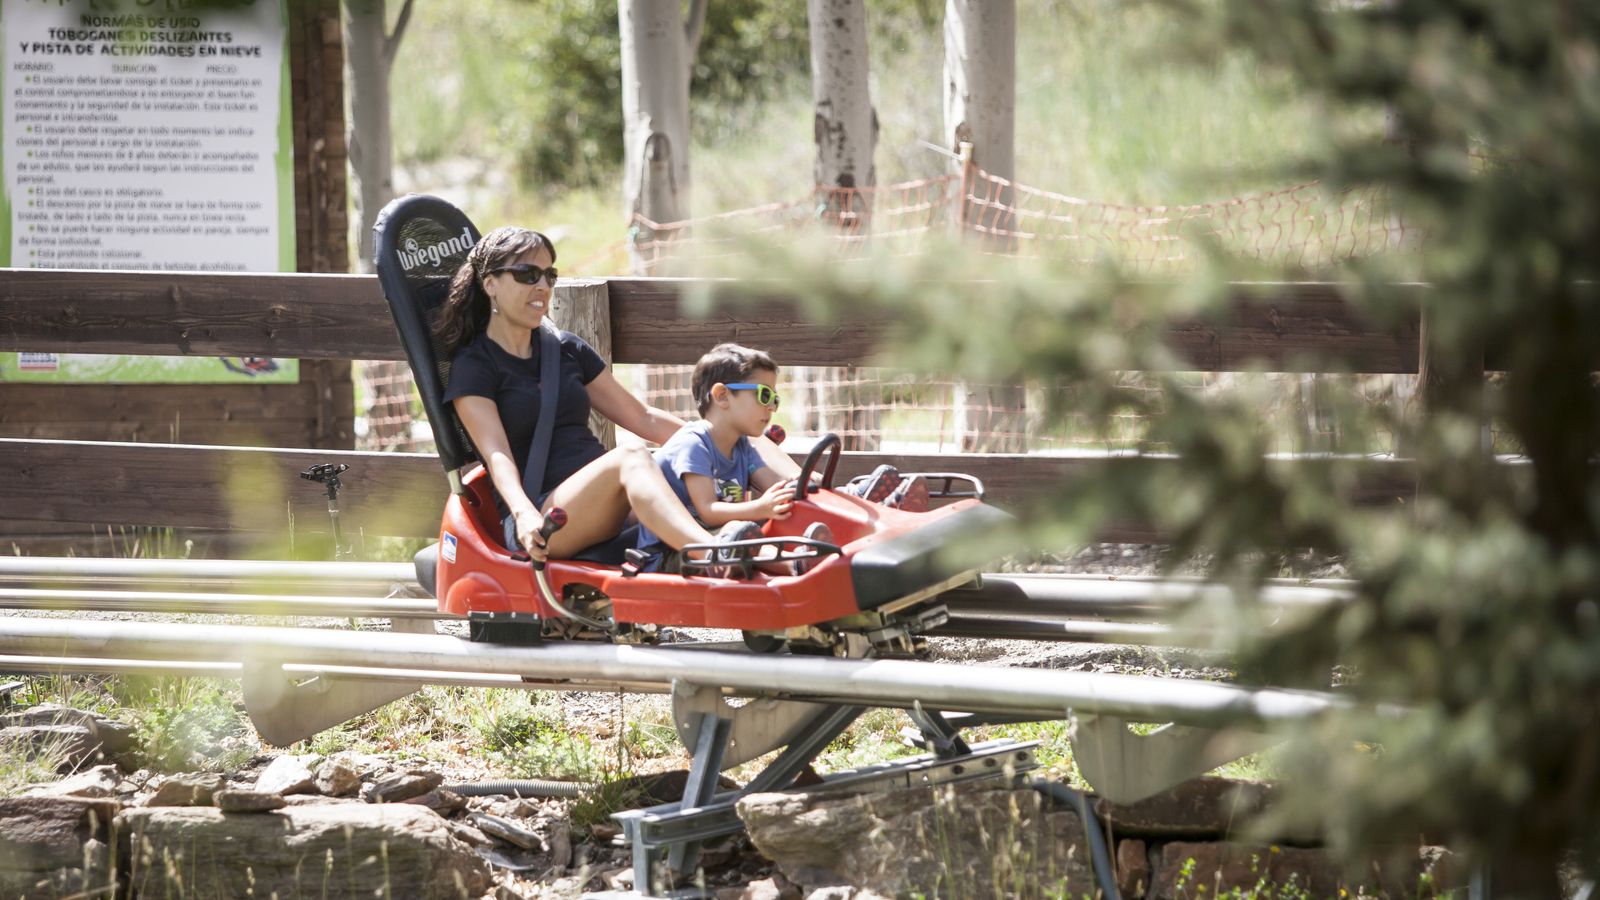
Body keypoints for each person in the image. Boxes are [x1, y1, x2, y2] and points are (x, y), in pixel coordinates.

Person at [435, 226, 799, 565]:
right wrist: (523, 512)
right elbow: (497, 455)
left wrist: (714, 436)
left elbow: (642, 418)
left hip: (606, 500)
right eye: (528, 274)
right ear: (491, 285)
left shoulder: (564, 350)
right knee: (631, 455)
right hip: (543, 516)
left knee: (729, 427)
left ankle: (816, 500)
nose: (542, 285)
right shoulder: (475, 366)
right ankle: (708, 554)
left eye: (550, 276)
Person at [634, 343, 824, 574]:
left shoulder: (742, 446)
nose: (772, 407)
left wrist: (802, 484)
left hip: (721, 542)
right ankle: (797, 563)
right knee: (740, 533)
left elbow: (774, 484)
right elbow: (707, 510)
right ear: (722, 396)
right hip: (670, 553)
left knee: (746, 533)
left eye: (775, 398)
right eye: (764, 395)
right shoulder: (693, 444)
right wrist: (759, 507)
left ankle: (848, 505)